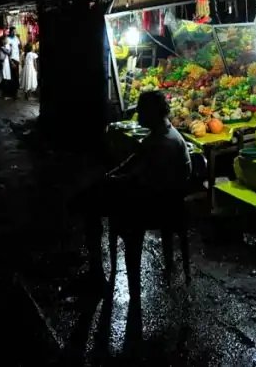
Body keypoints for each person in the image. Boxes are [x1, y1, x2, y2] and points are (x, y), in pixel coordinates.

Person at [77, 91, 192, 300]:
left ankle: (98, 273)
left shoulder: (163, 143)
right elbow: (134, 161)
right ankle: (95, 270)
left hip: (154, 205)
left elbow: (137, 180)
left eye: (141, 110)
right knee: (91, 196)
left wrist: (110, 181)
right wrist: (110, 175)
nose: (137, 114)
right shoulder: (162, 134)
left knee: (90, 204)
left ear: (152, 113)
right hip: (159, 197)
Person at [7, 29, 21, 96]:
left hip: (17, 59)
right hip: (12, 59)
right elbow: (8, 51)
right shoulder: (8, 39)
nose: (14, 32)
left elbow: (19, 46)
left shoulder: (16, 38)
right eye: (13, 31)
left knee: (16, 75)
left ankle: (15, 91)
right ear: (10, 31)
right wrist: (11, 61)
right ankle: (12, 92)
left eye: (15, 31)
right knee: (12, 75)